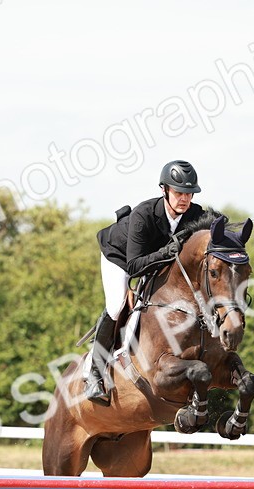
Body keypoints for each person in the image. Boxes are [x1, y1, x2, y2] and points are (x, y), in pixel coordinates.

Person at [87, 160, 206, 404]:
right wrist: (167, 252)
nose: (185, 199)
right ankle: (95, 374)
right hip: (119, 258)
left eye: (189, 193)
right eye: (179, 192)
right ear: (164, 190)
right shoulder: (144, 214)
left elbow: (216, 224)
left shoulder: (194, 213)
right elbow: (134, 266)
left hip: (153, 259)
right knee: (117, 304)